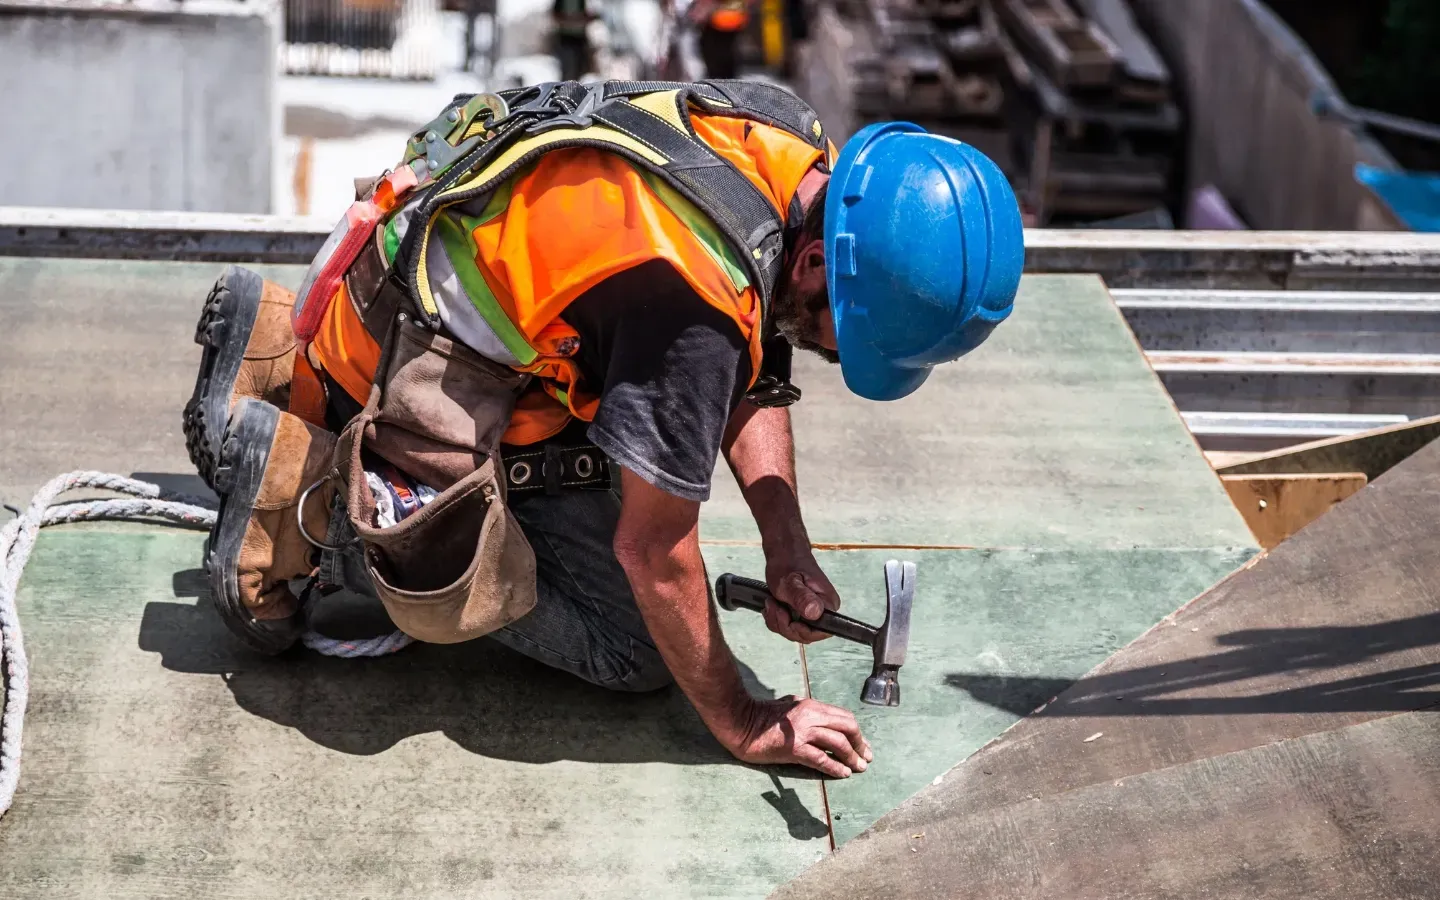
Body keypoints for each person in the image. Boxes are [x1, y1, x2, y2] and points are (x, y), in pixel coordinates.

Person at [183, 79, 1023, 780]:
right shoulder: (689, 305)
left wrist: (785, 544)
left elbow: (754, 362)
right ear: (814, 263)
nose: (842, 360)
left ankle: (275, 354)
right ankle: (308, 501)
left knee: (639, 462)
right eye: (853, 338)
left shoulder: (786, 143)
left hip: (402, 287)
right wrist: (744, 720)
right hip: (408, 371)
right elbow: (654, 554)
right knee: (632, 649)